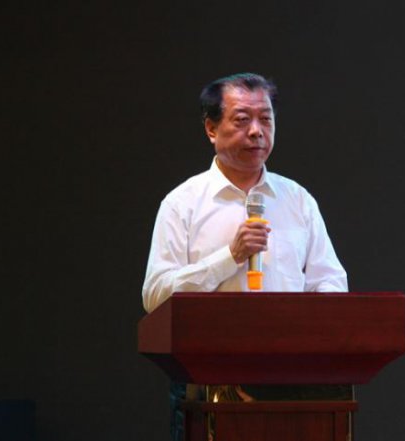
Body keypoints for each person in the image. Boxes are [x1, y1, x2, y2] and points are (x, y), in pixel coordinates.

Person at [141, 72, 348, 440]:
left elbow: (330, 281)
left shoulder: (297, 199)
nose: (256, 131)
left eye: (266, 119)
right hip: (208, 382)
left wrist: (311, 331)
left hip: (293, 380)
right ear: (211, 128)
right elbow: (156, 296)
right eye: (241, 120)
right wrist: (230, 257)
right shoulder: (182, 204)